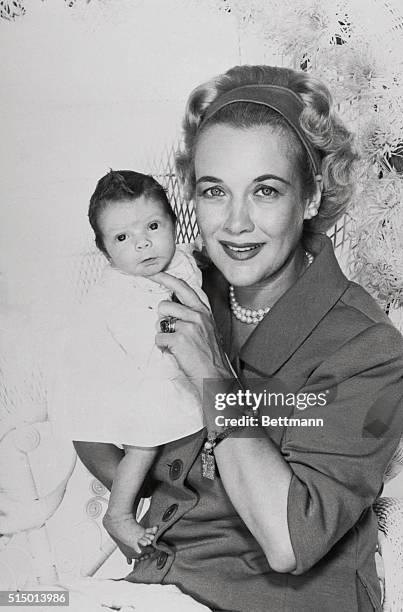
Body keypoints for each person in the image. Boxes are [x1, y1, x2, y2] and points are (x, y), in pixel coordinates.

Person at [74, 65, 403, 612]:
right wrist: (142, 486)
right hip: (157, 588)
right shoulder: (178, 285)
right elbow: (89, 419)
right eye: (214, 192)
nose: (234, 223)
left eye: (266, 191)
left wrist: (211, 375)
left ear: (309, 196)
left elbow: (289, 540)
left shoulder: (366, 346)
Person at [50, 170, 206, 560]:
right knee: (145, 435)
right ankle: (118, 513)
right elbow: (148, 348)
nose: (143, 244)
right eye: (123, 238)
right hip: (125, 374)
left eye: (153, 226)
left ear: (173, 222)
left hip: (165, 364)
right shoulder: (119, 291)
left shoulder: (183, 259)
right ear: (105, 251)